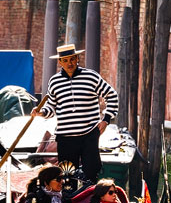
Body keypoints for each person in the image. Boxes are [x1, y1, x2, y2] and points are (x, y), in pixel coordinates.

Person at [31, 43, 118, 180]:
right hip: (65, 136)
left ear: (77, 58)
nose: (69, 63)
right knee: (67, 175)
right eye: (65, 60)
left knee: (91, 172)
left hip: (89, 134)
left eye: (72, 59)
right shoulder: (55, 82)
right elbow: (51, 108)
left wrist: (106, 120)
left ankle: (90, 198)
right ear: (60, 62)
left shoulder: (91, 77)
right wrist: (40, 112)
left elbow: (111, 95)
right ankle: (69, 200)